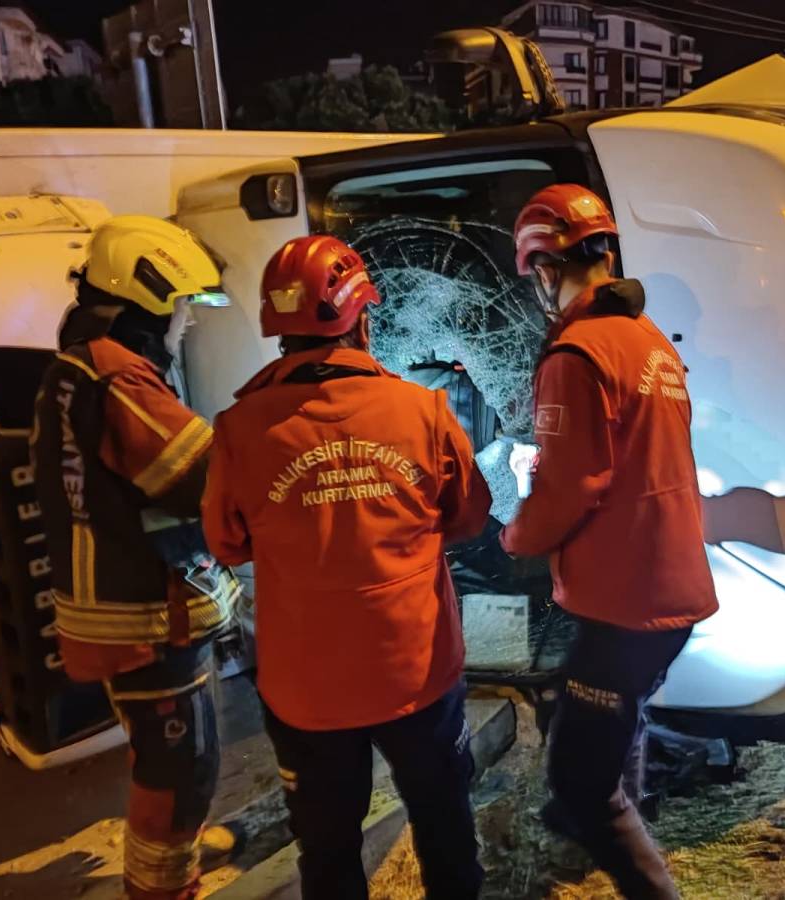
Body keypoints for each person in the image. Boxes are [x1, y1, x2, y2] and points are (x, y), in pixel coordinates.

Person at [201, 235, 491, 900]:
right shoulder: (424, 412)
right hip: (417, 675)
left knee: (328, 857)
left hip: (308, 694)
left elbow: (227, 543)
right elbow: (470, 518)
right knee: (446, 833)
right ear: (362, 319)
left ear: (278, 332)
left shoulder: (239, 430)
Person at [500, 185, 720, 899]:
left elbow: (574, 486)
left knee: (580, 772)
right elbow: (633, 457)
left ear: (541, 267)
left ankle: (616, 844)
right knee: (617, 715)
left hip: (629, 597)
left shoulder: (577, 350)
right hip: (671, 579)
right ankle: (589, 822)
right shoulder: (647, 341)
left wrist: (515, 533)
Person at [31, 215, 241, 900]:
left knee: (168, 759)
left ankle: (169, 859)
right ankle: (162, 888)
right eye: (183, 308)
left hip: (115, 612)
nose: (187, 325)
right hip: (144, 620)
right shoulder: (120, 378)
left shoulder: (73, 367)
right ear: (148, 299)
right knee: (181, 767)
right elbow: (205, 477)